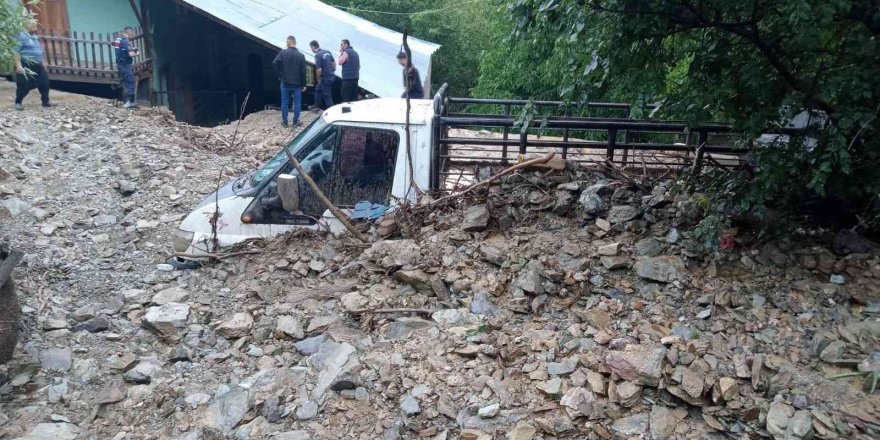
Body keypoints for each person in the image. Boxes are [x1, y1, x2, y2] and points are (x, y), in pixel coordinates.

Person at [13, 20, 53, 110]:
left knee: (44, 82)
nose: (36, 28)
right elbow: (16, 51)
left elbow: (38, 50)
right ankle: (18, 102)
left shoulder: (34, 37)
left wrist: (43, 61)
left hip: (38, 64)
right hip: (26, 64)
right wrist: (18, 65)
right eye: (34, 26)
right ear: (28, 26)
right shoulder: (21, 36)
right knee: (24, 85)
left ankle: (45, 101)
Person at [272, 36, 307, 127]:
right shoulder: (301, 55)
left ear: (288, 43)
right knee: (297, 102)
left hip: (285, 82)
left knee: (284, 102)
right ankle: (295, 122)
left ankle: (285, 122)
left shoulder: (283, 53)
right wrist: (304, 84)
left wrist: (280, 72)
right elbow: (303, 71)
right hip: (297, 83)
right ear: (295, 43)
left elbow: (274, 63)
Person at [114, 27, 141, 108]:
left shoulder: (117, 40)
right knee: (130, 82)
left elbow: (121, 50)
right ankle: (129, 102)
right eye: (132, 34)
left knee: (126, 82)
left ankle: (129, 102)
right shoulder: (125, 41)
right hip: (125, 64)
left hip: (120, 64)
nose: (132, 36)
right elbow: (130, 54)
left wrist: (131, 49)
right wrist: (137, 52)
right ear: (129, 33)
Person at [309, 40, 335, 109]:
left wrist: (318, 79)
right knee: (318, 89)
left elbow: (319, 69)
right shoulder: (327, 52)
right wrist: (332, 70)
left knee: (326, 95)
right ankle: (317, 106)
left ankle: (331, 110)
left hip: (325, 77)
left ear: (313, 47)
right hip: (331, 76)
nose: (311, 49)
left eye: (310, 48)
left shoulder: (318, 55)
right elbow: (334, 63)